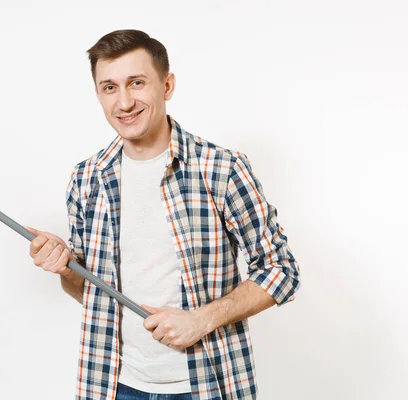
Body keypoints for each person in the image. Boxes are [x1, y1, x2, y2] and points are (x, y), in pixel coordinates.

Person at [25, 29, 301, 400]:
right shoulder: (86, 178)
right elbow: (89, 293)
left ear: (167, 85)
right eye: (109, 88)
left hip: (206, 385)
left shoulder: (221, 169)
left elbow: (281, 271)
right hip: (114, 384)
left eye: (136, 83)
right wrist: (65, 267)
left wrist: (201, 320)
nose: (124, 102)